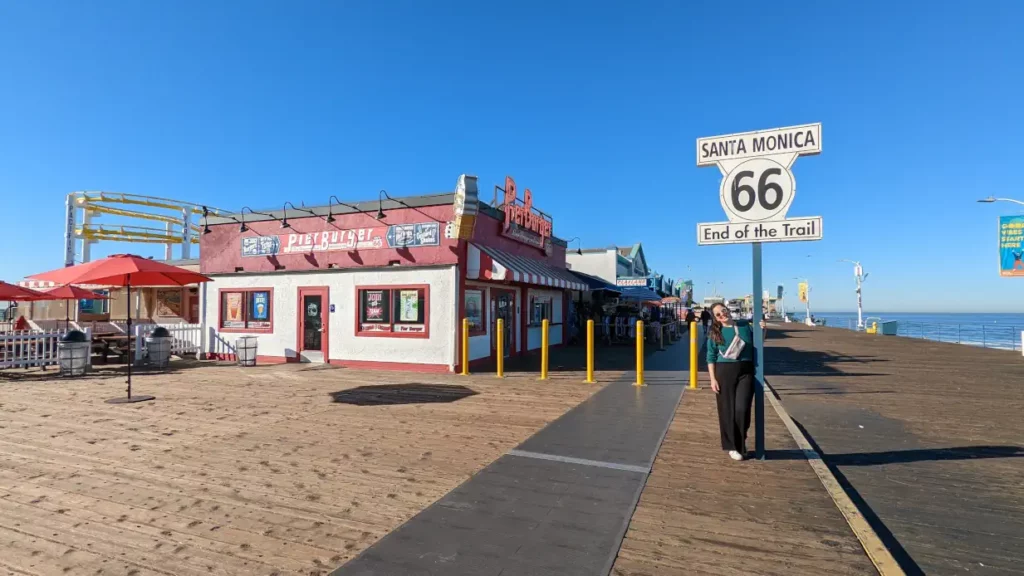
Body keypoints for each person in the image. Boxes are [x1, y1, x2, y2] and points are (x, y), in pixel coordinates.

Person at [706, 303, 765, 461]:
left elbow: (759, 342)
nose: (722, 315)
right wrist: (712, 379)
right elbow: (710, 356)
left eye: (723, 311)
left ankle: (740, 442)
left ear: (727, 310)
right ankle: (733, 446)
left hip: (746, 371)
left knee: (742, 409)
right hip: (723, 372)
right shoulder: (715, 333)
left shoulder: (745, 326)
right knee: (726, 410)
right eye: (718, 314)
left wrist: (764, 329)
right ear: (715, 318)